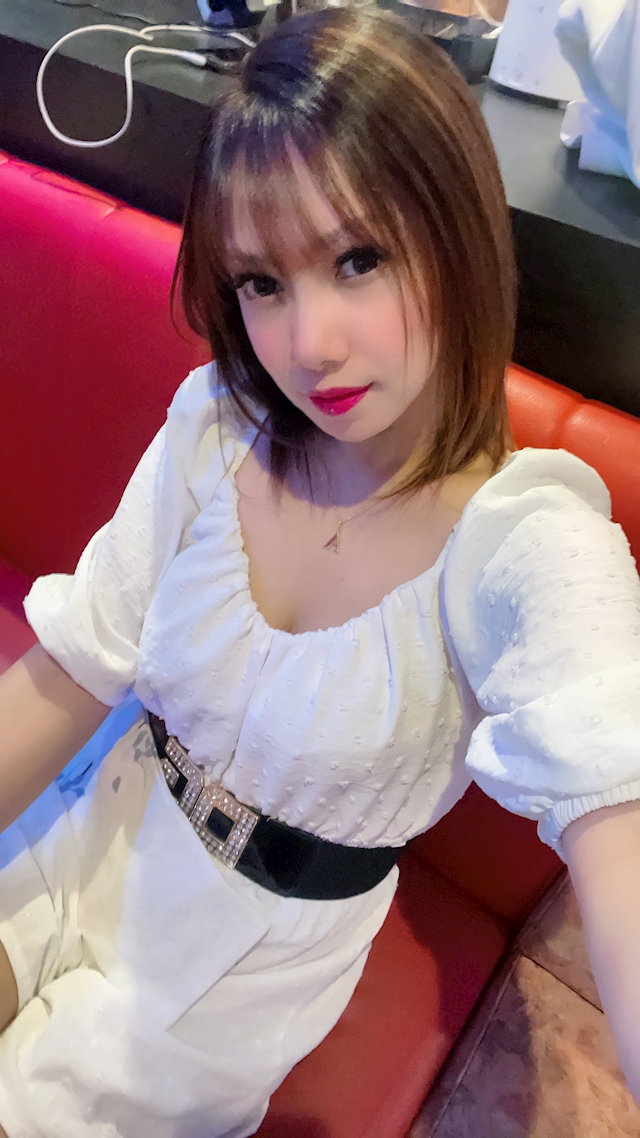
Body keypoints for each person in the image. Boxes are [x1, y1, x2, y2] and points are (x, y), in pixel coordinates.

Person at [0, 7, 639, 1135]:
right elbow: (75, 662)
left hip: (229, 981)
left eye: (358, 259)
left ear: (454, 233)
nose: (310, 346)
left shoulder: (524, 540)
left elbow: (615, 788)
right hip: (94, 819)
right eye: (263, 282)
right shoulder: (218, 424)